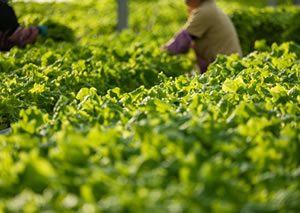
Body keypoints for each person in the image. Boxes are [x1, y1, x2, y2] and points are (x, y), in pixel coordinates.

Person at [162, 0, 242, 73]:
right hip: (228, 64)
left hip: (225, 69)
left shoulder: (204, 11)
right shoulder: (209, 7)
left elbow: (182, 42)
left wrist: (161, 53)